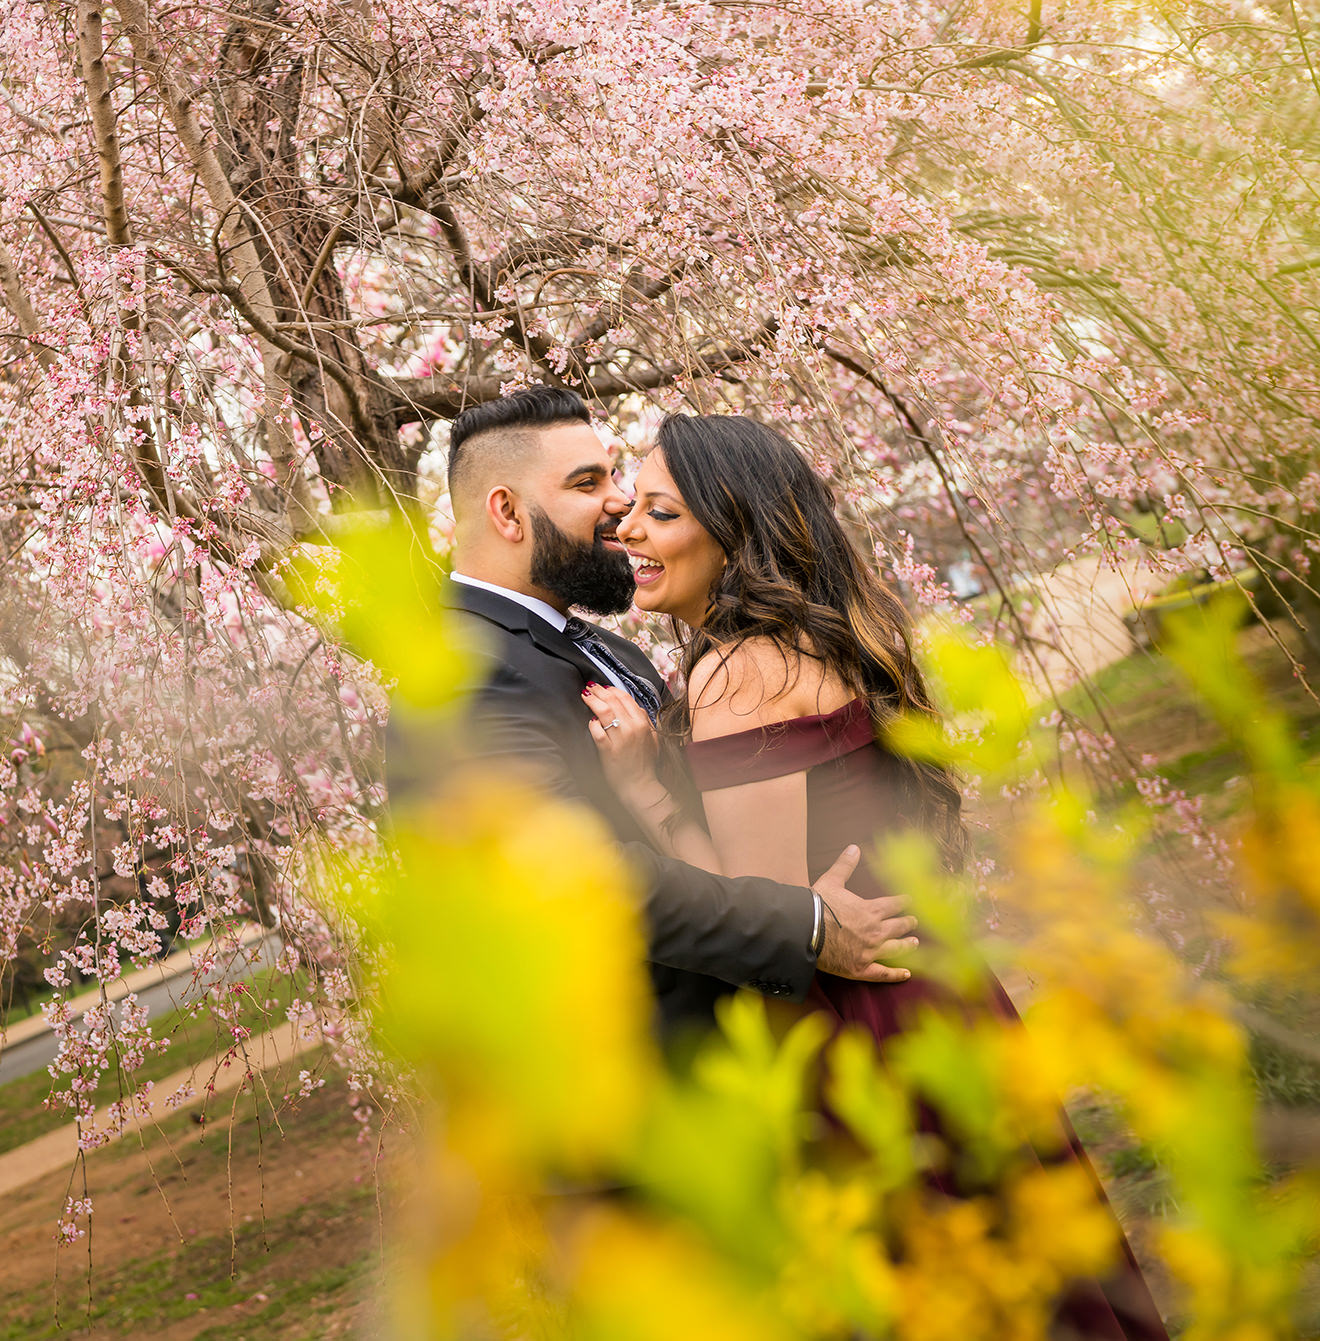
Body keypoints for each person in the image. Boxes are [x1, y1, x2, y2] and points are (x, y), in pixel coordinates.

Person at [583, 410, 1168, 1340]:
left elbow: (763, 910)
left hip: (861, 1023)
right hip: (932, 988)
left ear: (732, 529)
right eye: (631, 511)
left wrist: (649, 797)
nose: (629, 532)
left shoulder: (739, 669)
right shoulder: (819, 633)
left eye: (660, 513)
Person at [388, 384, 920, 1039]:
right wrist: (807, 925)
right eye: (589, 482)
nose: (619, 502)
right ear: (508, 512)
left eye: (619, 477)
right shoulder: (456, 671)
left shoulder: (610, 649)